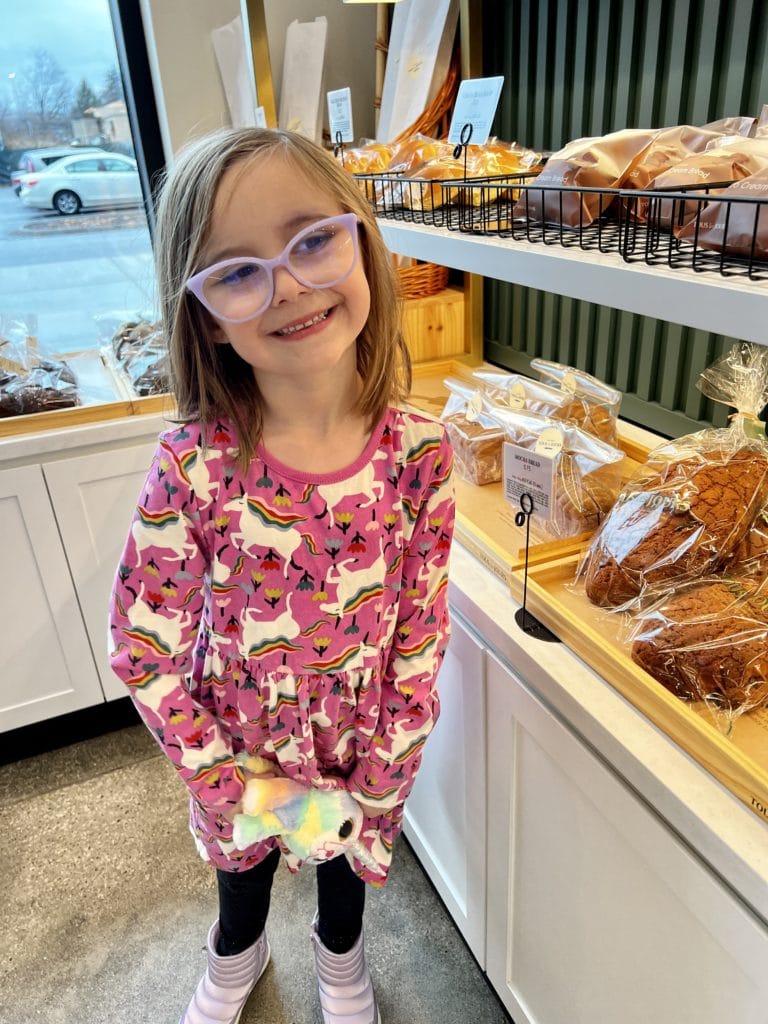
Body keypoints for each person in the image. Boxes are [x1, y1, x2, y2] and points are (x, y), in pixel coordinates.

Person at [108, 126, 455, 1024]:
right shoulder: (191, 465)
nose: (290, 284)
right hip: (239, 747)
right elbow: (144, 649)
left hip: (360, 742)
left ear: (361, 242)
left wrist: (383, 772)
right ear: (204, 314)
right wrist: (231, 785)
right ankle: (239, 955)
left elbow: (419, 633)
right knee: (242, 881)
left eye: (312, 240)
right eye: (236, 271)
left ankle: (340, 962)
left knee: (346, 884)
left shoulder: (421, 453)